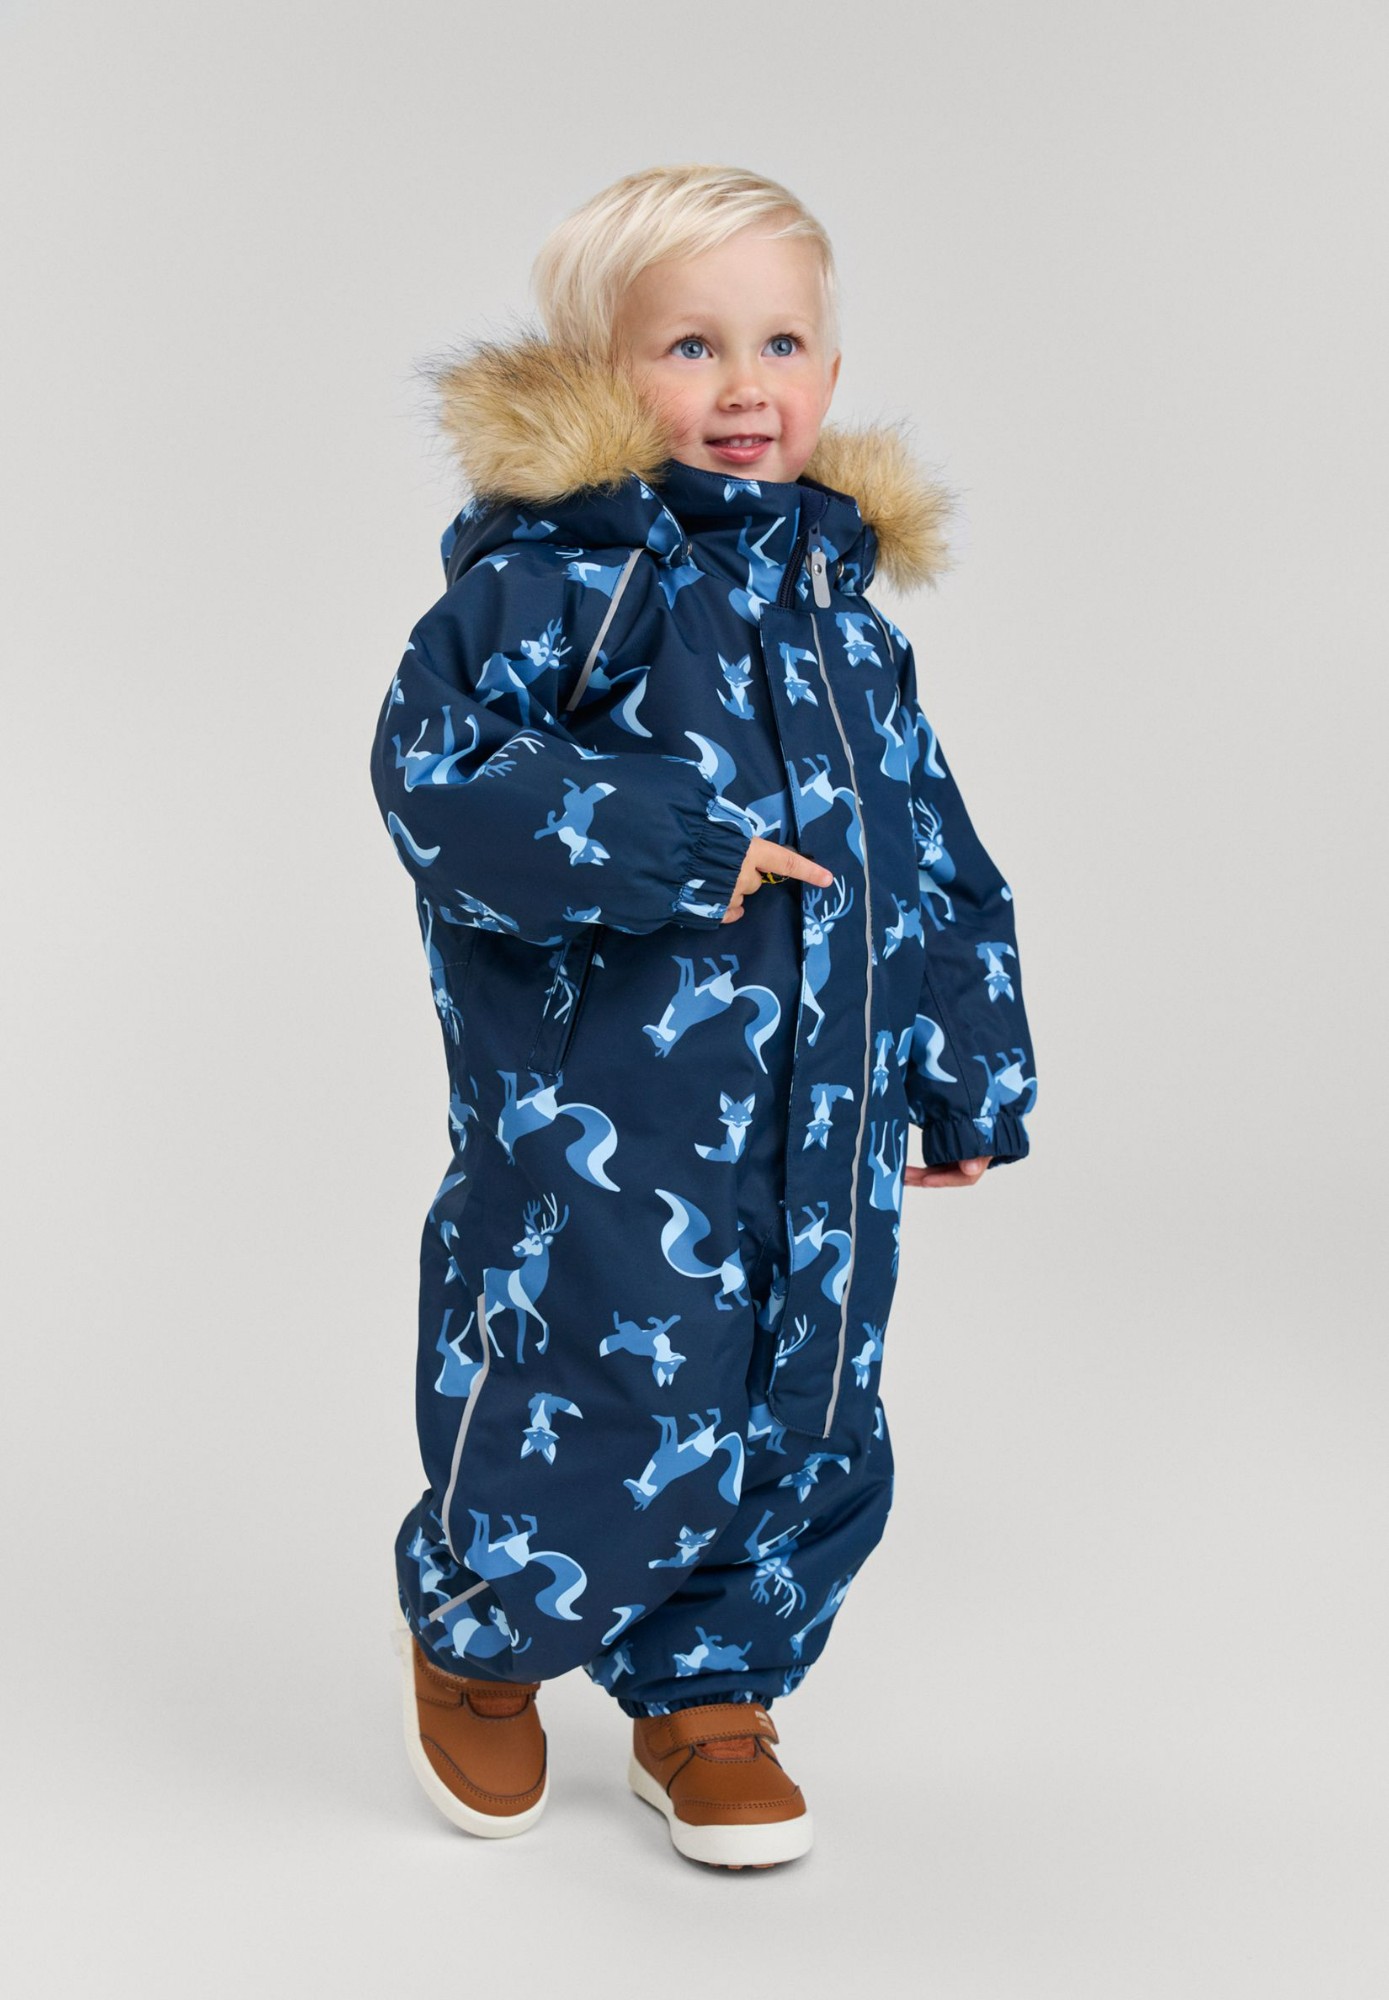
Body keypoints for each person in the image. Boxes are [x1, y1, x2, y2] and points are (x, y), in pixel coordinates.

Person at [368, 163, 1038, 1871]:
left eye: (780, 343)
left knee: (805, 1398)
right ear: (598, 372)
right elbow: (440, 781)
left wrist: (963, 1068)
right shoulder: (556, 586)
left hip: (824, 1124)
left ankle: (712, 1689)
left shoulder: (845, 629)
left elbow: (931, 855)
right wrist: (671, 844)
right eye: (690, 345)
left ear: (830, 368)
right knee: (591, 1382)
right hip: (606, 1119)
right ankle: (484, 1634)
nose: (745, 386)